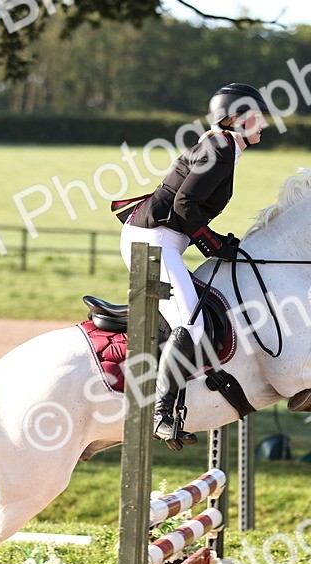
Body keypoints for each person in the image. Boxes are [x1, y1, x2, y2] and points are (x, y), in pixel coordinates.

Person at [119, 83, 269, 450]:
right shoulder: (220, 147)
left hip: (163, 239)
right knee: (192, 321)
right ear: (236, 118)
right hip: (153, 241)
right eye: (257, 115)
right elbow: (186, 204)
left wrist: (215, 242)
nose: (264, 122)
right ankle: (160, 413)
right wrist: (214, 244)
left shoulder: (224, 146)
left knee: (192, 318)